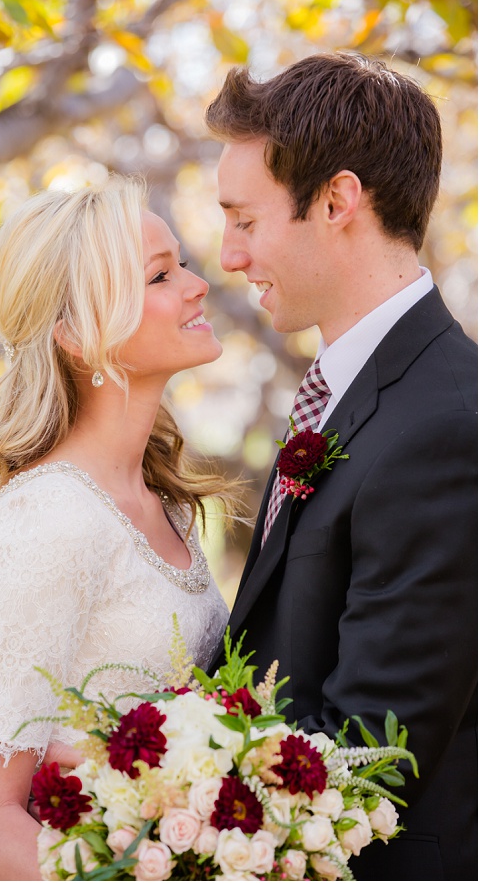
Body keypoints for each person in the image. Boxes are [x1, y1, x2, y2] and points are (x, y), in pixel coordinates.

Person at [208, 52, 477, 879]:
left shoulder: (445, 425)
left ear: (337, 201)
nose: (226, 254)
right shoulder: (351, 386)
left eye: (245, 220)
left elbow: (372, 755)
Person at [0, 179, 239, 880]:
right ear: (78, 334)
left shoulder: (158, 497)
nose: (200, 285)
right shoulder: (49, 522)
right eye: (162, 275)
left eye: (183, 264)